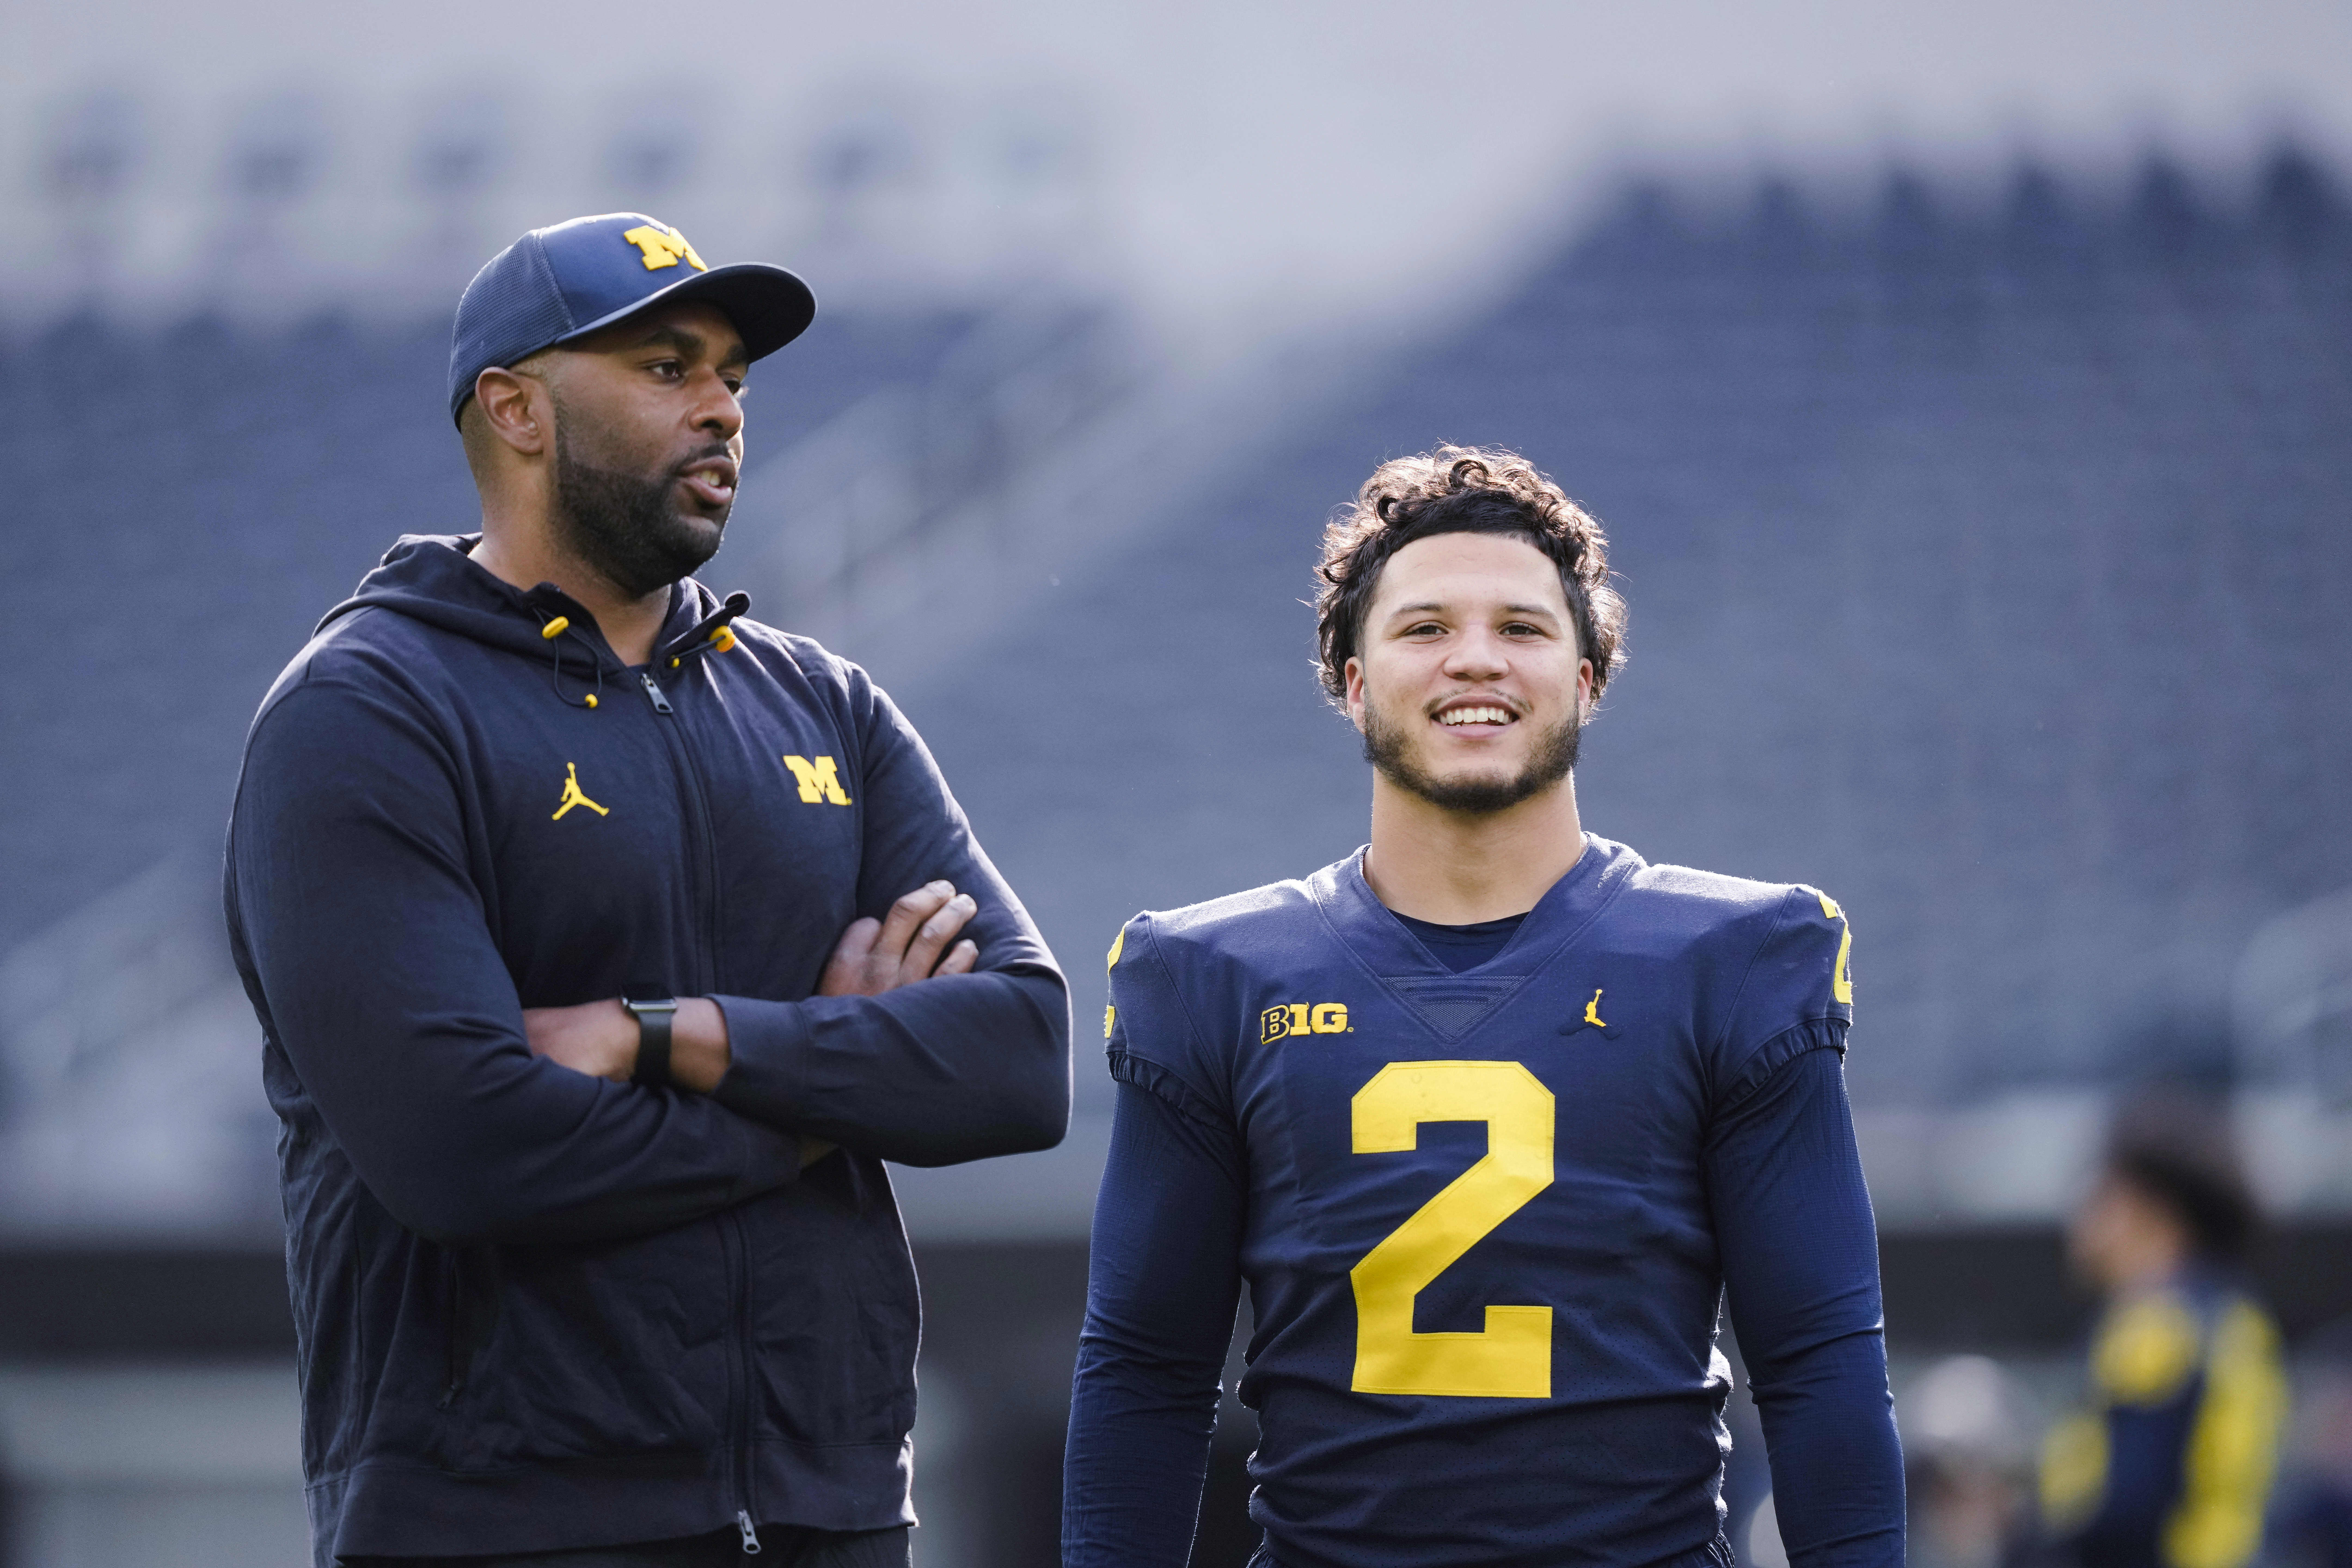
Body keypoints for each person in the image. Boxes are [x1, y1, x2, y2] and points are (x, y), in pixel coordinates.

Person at [224, 213, 1071, 1568]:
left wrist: (676, 1035)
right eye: (667, 367)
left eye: (733, 373)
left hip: (829, 1508)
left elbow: (1022, 1062)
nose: (724, 407)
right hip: (503, 1518)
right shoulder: (368, 711)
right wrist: (820, 1103)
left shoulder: (821, 704)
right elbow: (468, 1151)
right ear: (516, 409)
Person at [1062, 447, 1905, 1568]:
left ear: (1589, 676)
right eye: (1423, 628)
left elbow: (1819, 1363)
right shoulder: (1213, 975)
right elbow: (1148, 1373)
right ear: (1353, 681)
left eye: (1521, 627)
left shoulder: (1732, 957)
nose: (1475, 659)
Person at [2036, 1097, 2287, 1568]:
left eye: (2102, 1196)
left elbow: (2127, 1510)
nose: (2083, 1217)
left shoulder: (2155, 1324)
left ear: (2150, 1211)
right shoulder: (2235, 1314)